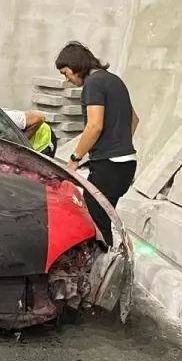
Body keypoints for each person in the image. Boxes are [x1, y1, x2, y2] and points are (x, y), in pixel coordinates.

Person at [56, 41, 139, 246]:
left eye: (66, 73)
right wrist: (119, 143)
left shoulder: (92, 84)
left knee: (95, 225)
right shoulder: (114, 80)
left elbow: (94, 126)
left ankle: (105, 262)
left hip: (109, 166)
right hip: (127, 164)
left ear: (75, 65)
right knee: (103, 218)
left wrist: (75, 158)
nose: (67, 79)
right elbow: (134, 119)